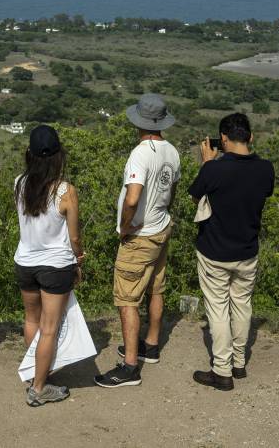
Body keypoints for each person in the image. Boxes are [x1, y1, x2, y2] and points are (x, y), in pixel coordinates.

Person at [96, 93, 180, 388]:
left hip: (140, 235)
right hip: (161, 228)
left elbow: (133, 196)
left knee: (127, 300)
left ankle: (130, 367)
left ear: (139, 122)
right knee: (156, 288)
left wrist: (124, 225)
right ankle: (151, 345)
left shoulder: (140, 153)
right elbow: (171, 190)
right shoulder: (172, 151)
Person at [189, 113, 274, 391]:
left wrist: (207, 163)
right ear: (250, 137)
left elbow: (195, 195)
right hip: (247, 250)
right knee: (242, 304)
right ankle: (239, 363)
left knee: (218, 310)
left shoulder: (214, 170)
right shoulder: (265, 169)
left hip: (214, 251)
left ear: (222, 139)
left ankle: (222, 370)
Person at [14, 125, 85, 406]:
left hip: (25, 262)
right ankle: (40, 388)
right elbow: (74, 236)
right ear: (59, 155)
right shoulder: (66, 190)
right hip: (55, 266)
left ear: (29, 154)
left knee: (32, 320)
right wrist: (79, 258)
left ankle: (35, 376)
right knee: (50, 328)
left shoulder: (19, 183)